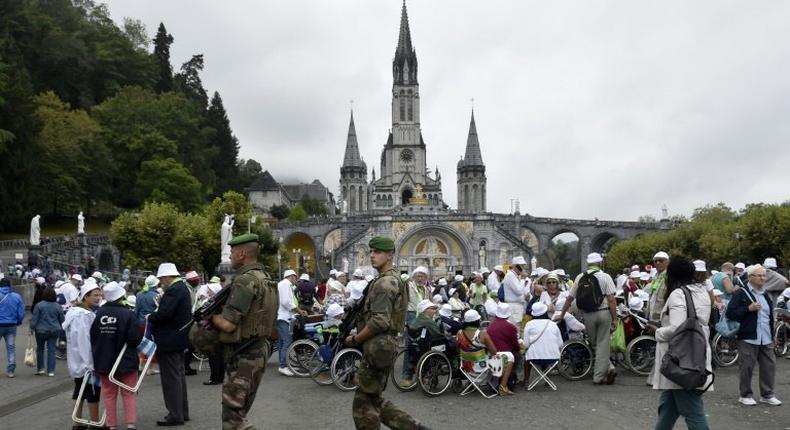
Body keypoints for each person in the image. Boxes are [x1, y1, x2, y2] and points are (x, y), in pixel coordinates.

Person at [343, 236, 428, 430]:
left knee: (363, 405)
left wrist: (356, 338)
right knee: (373, 401)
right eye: (371, 251)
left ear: (390, 255)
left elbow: (380, 321)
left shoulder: (385, 283)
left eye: (377, 252)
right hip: (383, 345)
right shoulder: (391, 278)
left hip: (378, 345)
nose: (372, 255)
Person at [209, 233, 278, 430]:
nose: (229, 256)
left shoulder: (244, 281)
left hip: (243, 356)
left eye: (231, 252)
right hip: (259, 351)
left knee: (232, 418)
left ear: (241, 254)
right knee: (240, 411)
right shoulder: (266, 278)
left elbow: (228, 325)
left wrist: (211, 317)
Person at [649, 256, 713, 430]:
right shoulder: (701, 292)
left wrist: (658, 332)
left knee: (692, 410)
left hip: (680, 360)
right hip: (695, 354)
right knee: (668, 408)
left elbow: (678, 327)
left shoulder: (678, 293)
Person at [557, 252, 617, 385]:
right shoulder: (605, 276)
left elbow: (570, 298)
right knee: (603, 344)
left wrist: (562, 314)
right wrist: (615, 318)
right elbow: (611, 300)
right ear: (600, 263)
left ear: (589, 263)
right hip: (604, 312)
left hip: (588, 314)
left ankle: (609, 368)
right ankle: (599, 376)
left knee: (596, 344)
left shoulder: (580, 277)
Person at [726, 264, 782, 406]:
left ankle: (767, 394)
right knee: (747, 367)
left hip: (766, 336)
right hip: (748, 336)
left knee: (769, 366)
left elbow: (769, 316)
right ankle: (745, 394)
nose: (763, 278)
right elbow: (730, 313)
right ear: (750, 277)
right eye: (759, 275)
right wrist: (748, 309)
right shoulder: (741, 293)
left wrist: (773, 334)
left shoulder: (765, 294)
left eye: (764, 275)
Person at [91, 282, 142, 430]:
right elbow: (135, 338)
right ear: (121, 296)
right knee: (128, 392)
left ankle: (111, 424)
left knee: (108, 393)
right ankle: (130, 423)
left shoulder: (98, 313)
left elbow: (93, 337)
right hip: (126, 359)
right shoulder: (128, 314)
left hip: (103, 360)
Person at [148, 262, 192, 426]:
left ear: (167, 276)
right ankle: (182, 411)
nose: (161, 282)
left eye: (161, 279)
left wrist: (151, 317)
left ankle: (175, 414)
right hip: (179, 338)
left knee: (171, 379)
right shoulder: (182, 288)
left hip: (169, 339)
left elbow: (164, 314)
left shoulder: (173, 290)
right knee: (178, 376)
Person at [63, 280, 102, 428]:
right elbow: (85, 340)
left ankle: (77, 423)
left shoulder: (74, 312)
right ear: (85, 296)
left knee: (79, 390)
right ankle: (94, 422)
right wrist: (90, 363)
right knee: (92, 391)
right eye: (95, 295)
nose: (98, 298)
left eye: (99, 295)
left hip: (76, 360)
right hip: (86, 361)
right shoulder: (84, 315)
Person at [457, 309, 514, 396]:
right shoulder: (482, 334)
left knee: (482, 357)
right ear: (477, 321)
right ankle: (503, 386)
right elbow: (494, 352)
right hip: (481, 369)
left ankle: (482, 383)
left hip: (467, 369)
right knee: (509, 357)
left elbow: (457, 350)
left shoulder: (459, 333)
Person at [523, 302, 563, 387]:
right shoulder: (553, 324)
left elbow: (526, 344)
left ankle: (526, 380)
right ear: (545, 312)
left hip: (534, 359)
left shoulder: (529, 324)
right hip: (553, 358)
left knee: (527, 356)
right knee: (545, 351)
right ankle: (546, 378)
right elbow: (560, 344)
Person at [30, 287, 64, 376]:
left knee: (40, 349)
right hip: (54, 330)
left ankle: (41, 369)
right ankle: (51, 371)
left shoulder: (39, 305)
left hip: (41, 330)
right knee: (51, 350)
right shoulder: (58, 306)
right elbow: (62, 319)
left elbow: (34, 319)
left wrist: (31, 329)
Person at [486, 303, 520, 387]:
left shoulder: (490, 325)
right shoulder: (510, 327)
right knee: (518, 355)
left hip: (492, 353)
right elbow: (515, 345)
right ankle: (511, 377)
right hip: (506, 354)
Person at [276, 269, 301, 376]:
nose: (297, 280)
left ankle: (284, 363)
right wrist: (298, 310)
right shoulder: (285, 284)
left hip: (283, 317)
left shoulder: (284, 284)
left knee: (282, 342)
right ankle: (283, 366)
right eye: (296, 277)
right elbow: (286, 302)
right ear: (292, 276)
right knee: (287, 341)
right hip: (283, 317)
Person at [0, 277, 25, 377]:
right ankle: (11, 370)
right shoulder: (17, 296)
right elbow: (21, 312)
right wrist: (18, 321)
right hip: (12, 325)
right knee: (11, 347)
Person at [503, 256, 530, 326]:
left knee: (517, 328)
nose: (523, 268)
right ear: (516, 266)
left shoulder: (515, 276)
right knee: (515, 329)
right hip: (513, 306)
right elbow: (518, 291)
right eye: (521, 266)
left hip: (517, 306)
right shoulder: (510, 275)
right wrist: (523, 279)